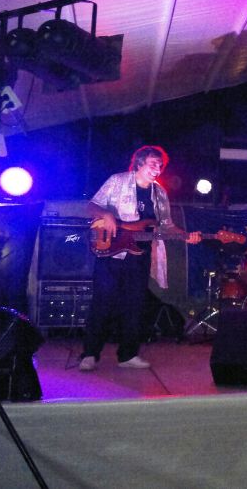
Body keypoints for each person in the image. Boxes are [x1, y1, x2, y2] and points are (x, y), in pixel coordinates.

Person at [79, 146, 200, 371]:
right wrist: (106, 214)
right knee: (102, 303)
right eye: (153, 164)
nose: (157, 169)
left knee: (134, 305)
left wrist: (186, 236)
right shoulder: (117, 181)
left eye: (160, 165)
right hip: (111, 252)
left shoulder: (159, 193)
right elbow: (91, 205)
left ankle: (128, 355)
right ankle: (90, 354)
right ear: (139, 163)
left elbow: (167, 226)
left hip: (140, 256)